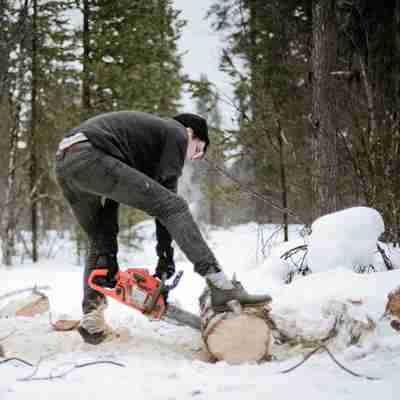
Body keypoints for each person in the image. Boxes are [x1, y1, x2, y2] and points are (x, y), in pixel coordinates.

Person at [55, 111, 271, 344]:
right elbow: (169, 206)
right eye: (197, 150)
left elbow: (153, 199)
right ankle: (220, 284)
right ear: (190, 133)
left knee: (101, 238)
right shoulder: (177, 132)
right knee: (176, 206)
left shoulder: (146, 142)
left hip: (66, 160)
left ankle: (92, 320)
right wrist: (165, 253)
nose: (191, 158)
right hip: (91, 155)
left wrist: (164, 255)